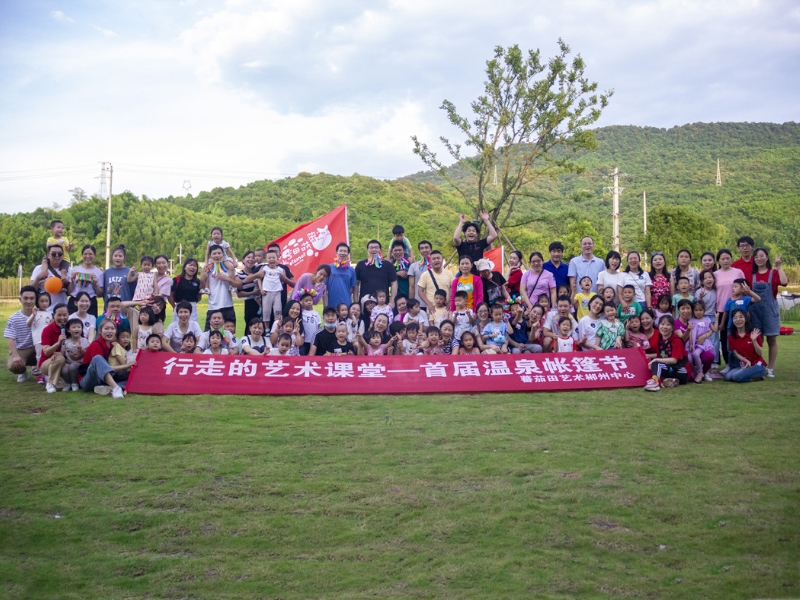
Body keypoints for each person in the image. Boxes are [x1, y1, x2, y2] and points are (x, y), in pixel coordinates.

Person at [749, 248, 788, 377]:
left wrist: (779, 266)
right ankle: (757, 364)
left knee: (771, 340)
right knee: (756, 339)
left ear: (767, 258)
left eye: (761, 256)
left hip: (770, 311)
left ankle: (770, 368)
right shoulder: (751, 274)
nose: (759, 259)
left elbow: (784, 282)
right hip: (754, 312)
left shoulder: (773, 273)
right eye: (756, 257)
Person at [79, 319, 135, 398]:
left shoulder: (112, 346)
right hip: (88, 380)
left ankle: (110, 388)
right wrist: (126, 365)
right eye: (106, 328)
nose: (110, 331)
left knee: (130, 376)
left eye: (112, 329)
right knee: (97, 358)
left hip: (102, 379)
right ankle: (116, 388)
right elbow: (104, 368)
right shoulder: (96, 345)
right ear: (100, 331)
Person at [713, 249, 745, 366]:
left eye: (728, 258)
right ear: (719, 261)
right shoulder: (715, 274)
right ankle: (728, 364)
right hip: (721, 310)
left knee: (738, 336)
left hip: (737, 310)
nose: (725, 261)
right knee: (725, 339)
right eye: (722, 259)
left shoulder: (738, 272)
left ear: (731, 259)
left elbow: (745, 290)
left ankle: (741, 362)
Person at [201, 244, 242, 330]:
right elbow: (201, 288)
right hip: (213, 307)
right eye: (214, 253)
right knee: (210, 336)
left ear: (223, 255)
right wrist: (202, 279)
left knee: (228, 337)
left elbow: (240, 285)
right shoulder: (207, 269)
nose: (217, 256)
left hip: (227, 306)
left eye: (219, 253)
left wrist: (228, 279)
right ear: (210, 256)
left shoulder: (229, 268)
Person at [643, 315, 689, 391]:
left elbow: (674, 360)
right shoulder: (660, 339)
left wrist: (655, 360)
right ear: (658, 325)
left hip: (680, 370)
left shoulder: (676, 340)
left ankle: (655, 382)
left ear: (672, 327)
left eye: (668, 325)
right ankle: (669, 380)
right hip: (669, 367)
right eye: (662, 324)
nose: (664, 327)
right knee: (654, 364)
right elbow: (661, 356)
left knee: (656, 364)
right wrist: (647, 356)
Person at [5, 286, 38, 381]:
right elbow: (10, 338)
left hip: (37, 348)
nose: (29, 301)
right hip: (22, 349)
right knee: (13, 366)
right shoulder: (14, 318)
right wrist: (15, 356)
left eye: (32, 298)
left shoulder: (41, 315)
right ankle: (22, 371)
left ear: (36, 299)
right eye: (26, 298)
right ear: (20, 299)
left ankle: (42, 372)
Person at [725, 309, 767, 383]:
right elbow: (736, 353)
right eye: (735, 318)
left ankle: (758, 376)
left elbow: (759, 353)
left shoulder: (753, 333)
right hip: (745, 365)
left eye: (741, 317)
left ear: (746, 319)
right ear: (732, 320)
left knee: (736, 377)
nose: (738, 320)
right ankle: (750, 374)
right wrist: (745, 360)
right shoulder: (732, 337)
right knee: (727, 377)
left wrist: (754, 340)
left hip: (757, 365)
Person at [39, 304, 70, 393]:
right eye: (59, 315)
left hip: (65, 360)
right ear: (54, 316)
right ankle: (50, 383)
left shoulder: (71, 327)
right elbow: (46, 352)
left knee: (63, 360)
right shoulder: (47, 330)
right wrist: (58, 343)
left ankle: (58, 379)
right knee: (60, 358)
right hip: (47, 362)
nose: (62, 318)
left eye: (65, 315)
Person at [355, 240, 398, 306]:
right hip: (365, 303)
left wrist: (392, 301)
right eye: (371, 247)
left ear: (380, 250)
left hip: (383, 303)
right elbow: (356, 283)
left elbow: (394, 283)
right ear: (367, 250)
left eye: (376, 247)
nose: (374, 249)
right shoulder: (361, 264)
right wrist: (356, 301)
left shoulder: (388, 265)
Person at [258, 248, 291, 321]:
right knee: (266, 312)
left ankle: (277, 328)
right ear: (266, 259)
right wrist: (261, 289)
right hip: (266, 292)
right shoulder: (264, 268)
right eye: (269, 258)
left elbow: (283, 279)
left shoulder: (281, 269)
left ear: (277, 258)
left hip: (277, 292)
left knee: (277, 311)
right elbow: (259, 279)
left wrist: (280, 282)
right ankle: (267, 330)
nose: (271, 259)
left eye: (273, 257)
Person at [689, 300, 717, 383]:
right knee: (692, 355)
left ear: (704, 310)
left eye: (700, 310)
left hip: (704, 343)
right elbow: (690, 333)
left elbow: (714, 329)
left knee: (695, 354)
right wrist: (690, 343)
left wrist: (717, 319)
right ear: (693, 311)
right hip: (695, 342)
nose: (698, 312)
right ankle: (695, 371)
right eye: (696, 310)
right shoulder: (692, 321)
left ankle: (701, 372)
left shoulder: (707, 320)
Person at [27, 291, 52, 380]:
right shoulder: (35, 312)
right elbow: (28, 324)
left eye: (46, 301)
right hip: (38, 340)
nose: (44, 303)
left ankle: (47, 373)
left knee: (48, 356)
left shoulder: (50, 313)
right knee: (39, 357)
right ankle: (40, 375)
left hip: (48, 340)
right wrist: (33, 316)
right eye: (42, 301)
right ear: (37, 302)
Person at [265, 242, 296, 310]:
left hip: (281, 302)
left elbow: (295, 284)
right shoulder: (263, 268)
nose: (274, 254)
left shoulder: (284, 268)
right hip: (266, 302)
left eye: (276, 252)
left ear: (280, 254)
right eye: (271, 251)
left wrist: (285, 279)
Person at [61, 317, 90, 391]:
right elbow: (62, 352)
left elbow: (88, 353)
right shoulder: (66, 341)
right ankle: (67, 383)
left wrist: (81, 349)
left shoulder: (84, 341)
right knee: (64, 369)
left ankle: (74, 383)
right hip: (68, 361)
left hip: (80, 362)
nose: (76, 329)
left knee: (72, 367)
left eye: (79, 327)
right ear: (68, 330)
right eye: (74, 327)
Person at [171, 258, 203, 323]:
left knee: (192, 329)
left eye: (194, 266)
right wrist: (174, 306)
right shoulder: (177, 280)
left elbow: (199, 297)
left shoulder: (197, 281)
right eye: (190, 265)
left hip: (192, 308)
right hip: (179, 307)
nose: (192, 267)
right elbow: (170, 295)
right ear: (185, 267)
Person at [327, 242, 357, 308]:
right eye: (340, 251)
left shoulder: (351, 270)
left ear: (347, 254)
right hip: (332, 304)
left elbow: (353, 288)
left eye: (345, 251)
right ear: (336, 253)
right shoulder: (329, 268)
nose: (342, 253)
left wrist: (355, 303)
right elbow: (324, 288)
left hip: (346, 304)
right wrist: (325, 305)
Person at [407, 240, 433, 307]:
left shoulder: (438, 266)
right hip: (419, 303)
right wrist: (411, 303)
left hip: (435, 302)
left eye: (426, 247)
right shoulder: (413, 266)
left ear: (431, 249)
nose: (424, 250)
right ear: (419, 251)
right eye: (422, 248)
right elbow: (411, 286)